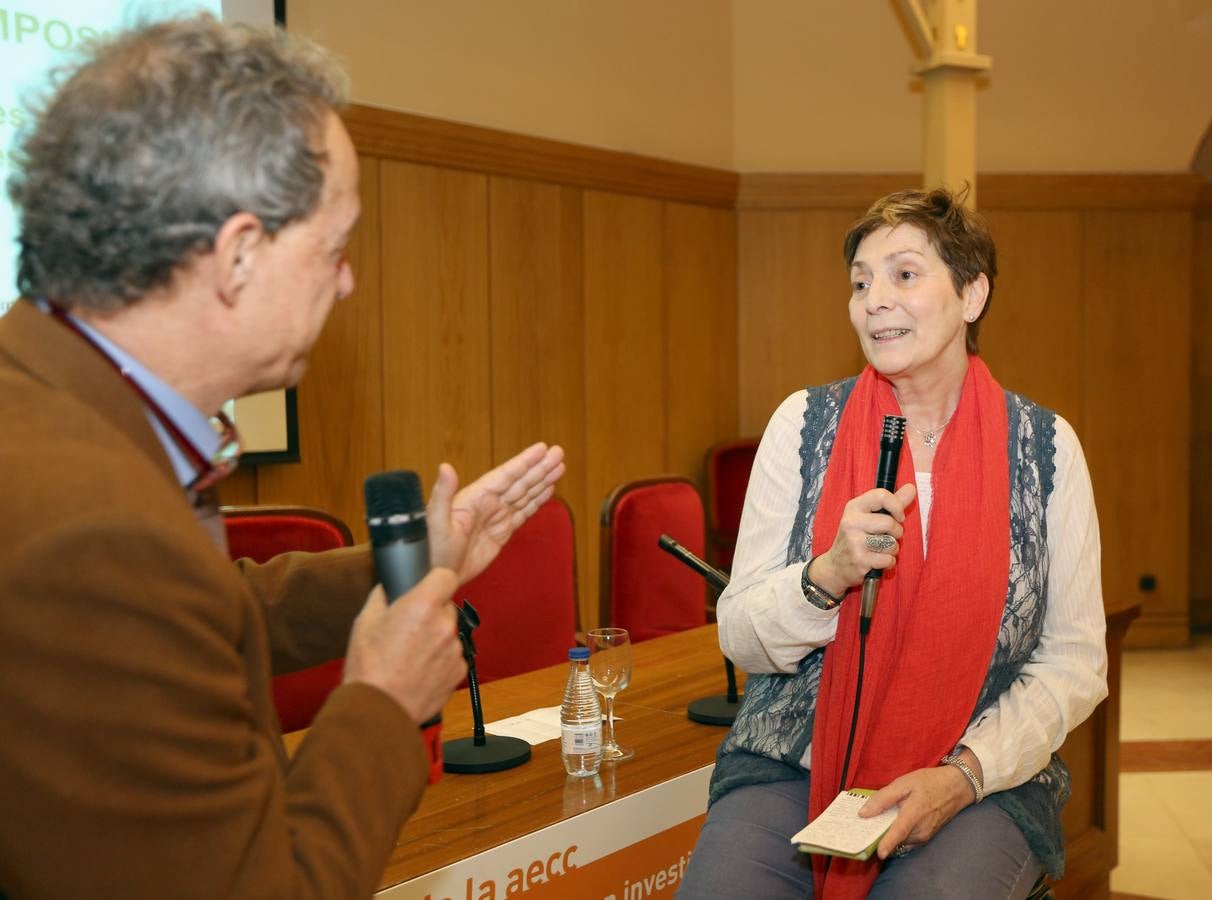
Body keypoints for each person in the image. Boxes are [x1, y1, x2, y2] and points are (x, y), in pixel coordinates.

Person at [0, 16, 564, 899]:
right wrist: (382, 702)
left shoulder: (48, 403)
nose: (347, 282)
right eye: (335, 248)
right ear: (237, 257)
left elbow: (197, 619)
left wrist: (411, 558)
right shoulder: (92, 531)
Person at [678, 188, 1107, 899]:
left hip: (977, 775)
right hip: (798, 760)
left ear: (972, 295)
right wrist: (826, 576)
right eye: (860, 282)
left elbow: (1075, 658)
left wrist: (963, 774)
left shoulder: (1044, 448)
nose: (874, 299)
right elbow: (741, 638)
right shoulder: (802, 427)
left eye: (904, 274)